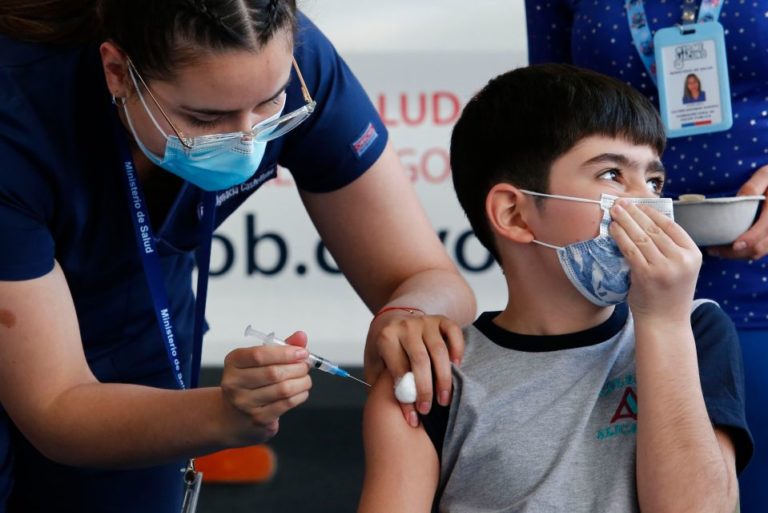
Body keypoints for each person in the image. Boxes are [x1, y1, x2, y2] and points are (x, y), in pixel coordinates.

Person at [0, 1, 476, 511]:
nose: (247, 140)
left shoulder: (287, 59)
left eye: (270, 106)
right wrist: (221, 414)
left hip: (138, 333)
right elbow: (55, 404)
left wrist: (410, 314)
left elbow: (429, 276)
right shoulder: (18, 113)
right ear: (117, 71)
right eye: (206, 118)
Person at [357, 64, 753, 513]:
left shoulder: (694, 328)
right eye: (612, 175)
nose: (650, 204)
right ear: (515, 214)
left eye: (654, 180)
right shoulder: (433, 375)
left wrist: (664, 322)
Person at [525, 1, 768, 509]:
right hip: (619, 293)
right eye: (619, 176)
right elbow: (543, 114)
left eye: (652, 181)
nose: (644, 190)